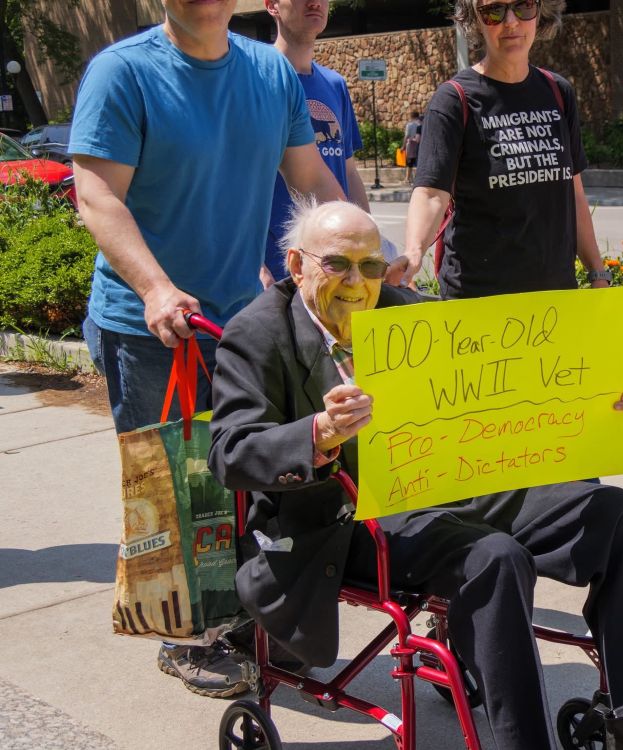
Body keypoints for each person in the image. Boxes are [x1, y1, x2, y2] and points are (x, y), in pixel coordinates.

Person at [208, 199, 623, 750]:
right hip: (347, 519)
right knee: (495, 557)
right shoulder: (259, 334)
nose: (357, 282)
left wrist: (596, 399)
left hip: (449, 486)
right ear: (297, 265)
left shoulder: (402, 307)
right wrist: (317, 433)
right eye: (337, 264)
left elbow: (502, 386)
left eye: (370, 266)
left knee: (613, 513)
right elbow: (231, 451)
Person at [69, 0, 346, 698]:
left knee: (257, 471)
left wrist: (363, 251)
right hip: (148, 323)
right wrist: (158, 288)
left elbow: (310, 178)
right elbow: (97, 196)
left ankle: (254, 614)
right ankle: (184, 633)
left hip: (240, 321)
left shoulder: (268, 74)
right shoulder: (123, 73)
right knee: (176, 485)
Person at [392, 0, 611, 297]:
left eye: (523, 7)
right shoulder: (454, 100)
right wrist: (414, 252)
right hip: (479, 300)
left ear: (539, 12)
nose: (511, 22)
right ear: (476, 21)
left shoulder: (558, 92)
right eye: (494, 11)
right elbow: (432, 192)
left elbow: (573, 193)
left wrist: (596, 271)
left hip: (555, 296)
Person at [262, 0, 370, 285]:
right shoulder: (255, 77)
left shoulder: (335, 84)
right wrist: (254, 264)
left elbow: (347, 172)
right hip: (273, 269)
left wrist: (371, 244)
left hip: (333, 266)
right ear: (271, 5)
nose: (314, 2)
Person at [403, 110, 421, 184]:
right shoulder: (420, 124)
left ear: (411, 116)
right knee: (417, 162)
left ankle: (407, 179)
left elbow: (406, 136)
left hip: (410, 145)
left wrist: (403, 146)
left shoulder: (409, 125)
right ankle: (415, 178)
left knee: (409, 162)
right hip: (419, 145)